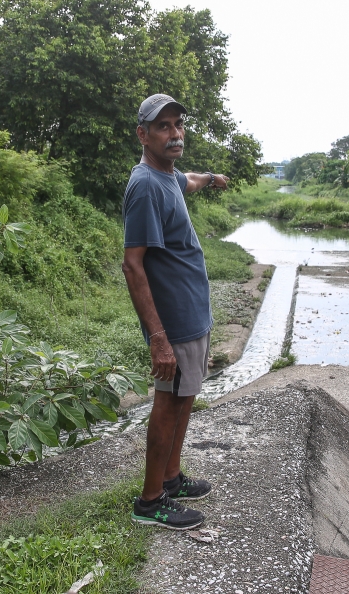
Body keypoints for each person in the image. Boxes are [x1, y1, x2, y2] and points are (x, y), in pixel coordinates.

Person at [122, 93, 229, 530]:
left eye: (178, 124)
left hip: (193, 315)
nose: (174, 133)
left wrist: (212, 177)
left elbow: (189, 181)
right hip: (175, 323)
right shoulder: (145, 185)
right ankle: (150, 501)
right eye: (163, 127)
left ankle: (171, 476)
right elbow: (132, 264)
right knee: (168, 404)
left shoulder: (168, 177)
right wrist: (159, 338)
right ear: (143, 134)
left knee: (185, 398)